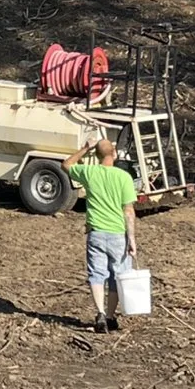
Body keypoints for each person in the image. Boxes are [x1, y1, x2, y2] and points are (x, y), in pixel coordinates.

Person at [61, 137, 137, 333]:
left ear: (96, 156)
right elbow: (128, 211)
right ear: (115, 154)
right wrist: (132, 239)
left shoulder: (89, 172)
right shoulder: (124, 178)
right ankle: (111, 316)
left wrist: (85, 149)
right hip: (117, 234)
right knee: (117, 276)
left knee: (96, 273)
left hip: (96, 232)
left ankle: (100, 313)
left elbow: (66, 165)